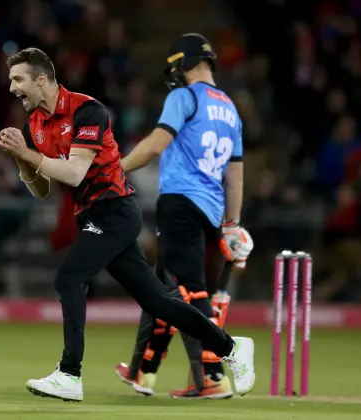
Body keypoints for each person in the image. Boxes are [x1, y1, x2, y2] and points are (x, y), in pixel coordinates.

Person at [0, 47, 255, 402]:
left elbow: (74, 173)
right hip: (95, 214)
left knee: (69, 277)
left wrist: (27, 154)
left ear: (42, 79)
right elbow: (41, 189)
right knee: (157, 301)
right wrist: (21, 157)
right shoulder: (36, 124)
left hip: (115, 210)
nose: (12, 88)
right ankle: (231, 347)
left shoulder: (88, 110)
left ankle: (69, 373)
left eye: (18, 79)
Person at [111, 33, 254, 399]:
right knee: (160, 290)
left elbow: (155, 146)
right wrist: (233, 224)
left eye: (178, 67)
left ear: (191, 63)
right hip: (211, 208)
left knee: (189, 293)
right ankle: (143, 371)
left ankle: (213, 373)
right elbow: (235, 179)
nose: (175, 75)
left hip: (180, 203)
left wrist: (115, 168)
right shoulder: (231, 110)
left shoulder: (183, 97)